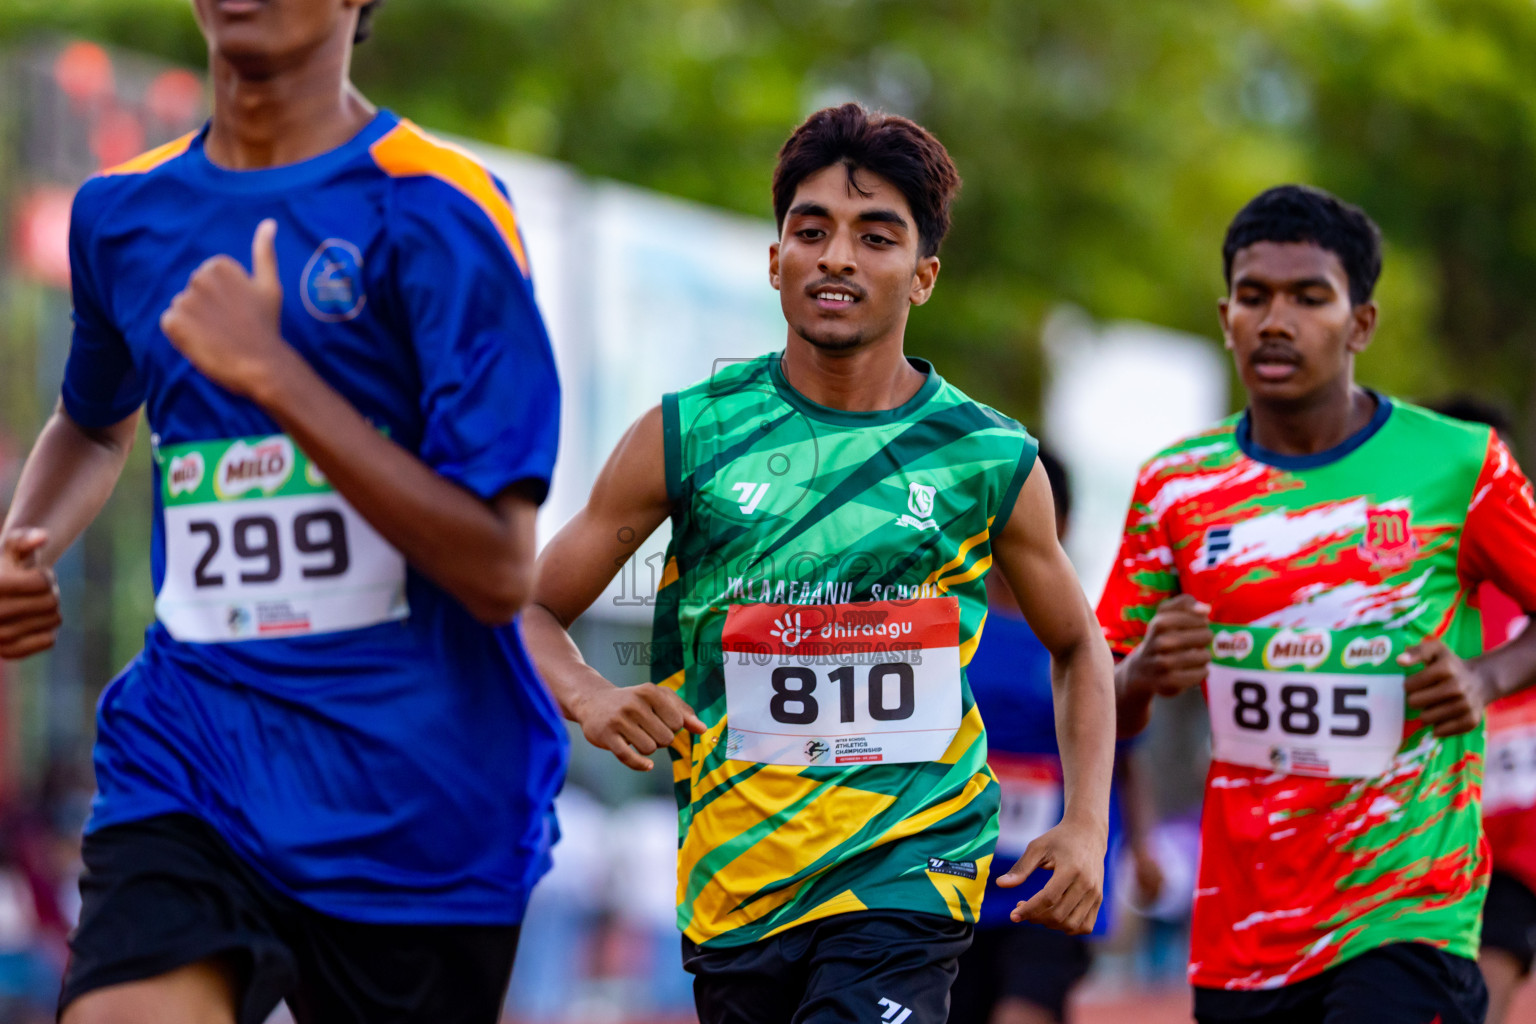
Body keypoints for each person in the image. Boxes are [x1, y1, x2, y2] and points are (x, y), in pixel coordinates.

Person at [0, 1, 565, 1021]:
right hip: (194, 754)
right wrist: (23, 543)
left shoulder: (438, 210)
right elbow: (93, 420)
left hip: (418, 807)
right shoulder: (120, 214)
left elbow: (497, 569)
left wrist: (280, 381)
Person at [523, 102, 1117, 1024]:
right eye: (812, 230)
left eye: (875, 237)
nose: (838, 256)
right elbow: (530, 609)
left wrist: (1088, 824)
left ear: (923, 275)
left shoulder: (989, 458)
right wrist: (591, 695)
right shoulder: (689, 434)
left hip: (910, 873)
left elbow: (1081, 647)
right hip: (740, 884)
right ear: (776, 260)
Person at [1099, 184, 1536, 1024]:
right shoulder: (1176, 487)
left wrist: (1486, 677)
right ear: (1225, 315)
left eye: (1309, 297)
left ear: (1360, 323)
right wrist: (1146, 673)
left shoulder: (1462, 465)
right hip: (1245, 929)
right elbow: (1096, 699)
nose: (1276, 320)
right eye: (1255, 296)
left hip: (1409, 909)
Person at [949, 448, 1162, 1024]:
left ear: (1056, 519)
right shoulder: (946, 626)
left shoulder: (1083, 639)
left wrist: (1142, 848)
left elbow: (1123, 751)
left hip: (1049, 877)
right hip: (951, 877)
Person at [1429, 397, 1536, 1024]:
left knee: (1480, 1005)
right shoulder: (1401, 589)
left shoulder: (1524, 589)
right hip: (1411, 845)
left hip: (1512, 856)